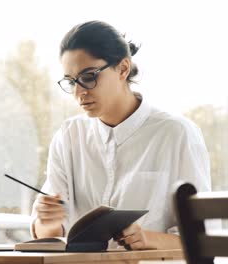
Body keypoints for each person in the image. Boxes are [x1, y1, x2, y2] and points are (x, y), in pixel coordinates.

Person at [31, 20, 211, 250]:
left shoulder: (176, 134)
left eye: (88, 77)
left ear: (123, 68)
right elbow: (51, 235)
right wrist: (48, 222)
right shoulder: (68, 137)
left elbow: (203, 241)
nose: (79, 92)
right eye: (71, 81)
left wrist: (148, 239)